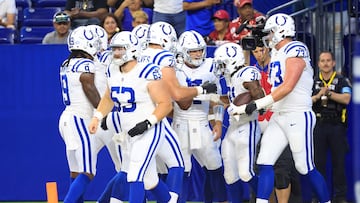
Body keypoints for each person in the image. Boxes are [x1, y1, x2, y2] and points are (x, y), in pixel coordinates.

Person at [228, 13, 331, 203]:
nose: (267, 37)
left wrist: (257, 104)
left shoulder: (296, 48)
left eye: (270, 32)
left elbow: (288, 86)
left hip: (297, 114)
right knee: (264, 161)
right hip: (278, 114)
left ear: (280, 32)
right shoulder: (275, 52)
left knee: (304, 167)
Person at [89, 31, 174, 203]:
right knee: (150, 182)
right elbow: (108, 97)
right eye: (114, 49)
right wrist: (97, 116)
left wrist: (147, 123)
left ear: (133, 49)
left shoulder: (147, 71)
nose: (116, 53)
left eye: (120, 49)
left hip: (150, 129)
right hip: (128, 131)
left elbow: (166, 104)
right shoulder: (112, 69)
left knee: (134, 174)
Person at [138, 21, 218, 202]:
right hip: (155, 117)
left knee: (135, 171)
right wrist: (202, 90)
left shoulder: (139, 54)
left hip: (132, 115)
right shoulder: (164, 57)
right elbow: (177, 95)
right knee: (178, 164)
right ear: (166, 39)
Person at [174, 30, 228, 203]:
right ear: (182, 52)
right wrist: (201, 91)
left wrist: (218, 122)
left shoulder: (211, 66)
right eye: (192, 51)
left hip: (203, 120)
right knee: (182, 169)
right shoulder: (175, 69)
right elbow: (182, 101)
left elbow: (217, 100)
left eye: (200, 50)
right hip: (180, 121)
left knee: (214, 165)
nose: (198, 54)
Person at [213, 42, 263, 203]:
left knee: (246, 173)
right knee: (230, 175)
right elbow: (225, 102)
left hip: (248, 125)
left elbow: (259, 95)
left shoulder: (246, 73)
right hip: (233, 128)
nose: (220, 67)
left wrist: (248, 105)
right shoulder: (231, 78)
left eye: (222, 63)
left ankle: (266, 200)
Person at [251, 45, 302, 203]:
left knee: (282, 171)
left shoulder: (280, 63)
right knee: (262, 169)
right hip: (260, 124)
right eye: (256, 51)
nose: (260, 54)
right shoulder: (251, 71)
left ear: (268, 49)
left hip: (279, 120)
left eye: (262, 50)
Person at [58, 25, 102, 203]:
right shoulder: (86, 64)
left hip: (67, 118)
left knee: (76, 171)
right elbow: (89, 87)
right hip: (79, 119)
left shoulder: (66, 63)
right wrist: (102, 111)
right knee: (88, 171)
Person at [312, 51, 352, 203]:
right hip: (318, 126)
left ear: (334, 63)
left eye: (328, 60)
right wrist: (318, 95)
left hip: (336, 126)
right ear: (318, 64)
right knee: (318, 164)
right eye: (322, 61)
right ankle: (319, 197)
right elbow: (307, 100)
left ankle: (340, 197)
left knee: (339, 165)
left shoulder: (342, 80)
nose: (326, 63)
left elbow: (347, 98)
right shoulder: (313, 81)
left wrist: (328, 94)